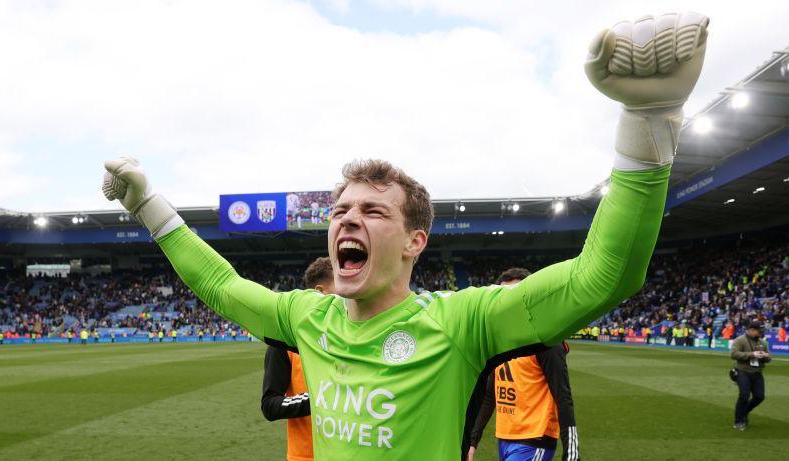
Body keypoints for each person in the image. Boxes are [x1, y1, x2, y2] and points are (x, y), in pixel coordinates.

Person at [100, 13, 708, 458]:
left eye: (373, 211)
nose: (347, 219)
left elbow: (604, 276)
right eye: (340, 210)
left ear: (416, 241)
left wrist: (647, 126)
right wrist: (149, 207)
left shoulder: (463, 323)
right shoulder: (305, 319)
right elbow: (219, 283)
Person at [467, 268, 580, 461]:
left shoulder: (546, 341)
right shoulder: (498, 339)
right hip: (505, 438)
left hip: (535, 439)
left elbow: (563, 396)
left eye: (516, 295)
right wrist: (472, 441)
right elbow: (489, 395)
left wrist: (572, 453)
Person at [262, 257, 334, 461]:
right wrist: (321, 399)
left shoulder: (357, 335)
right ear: (320, 292)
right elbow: (270, 405)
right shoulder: (285, 343)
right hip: (306, 457)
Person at [731, 321, 771, 430]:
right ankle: (738, 421)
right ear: (751, 330)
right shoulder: (740, 340)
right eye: (759, 331)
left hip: (757, 372)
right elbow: (733, 354)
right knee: (744, 395)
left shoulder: (763, 342)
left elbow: (769, 359)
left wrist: (766, 356)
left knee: (759, 397)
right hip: (743, 371)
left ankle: (744, 412)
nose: (761, 333)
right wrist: (751, 354)